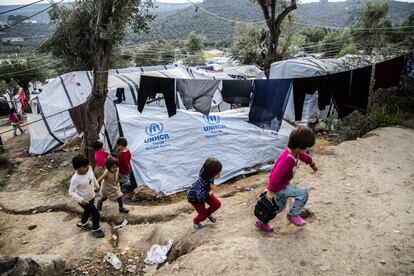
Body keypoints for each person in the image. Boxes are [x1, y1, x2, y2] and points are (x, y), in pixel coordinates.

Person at [256, 126, 318, 232]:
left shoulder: (295, 152)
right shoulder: (288, 159)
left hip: (281, 185)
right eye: (306, 147)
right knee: (303, 193)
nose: (307, 149)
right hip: (280, 186)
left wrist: (312, 163)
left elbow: (304, 156)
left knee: (278, 207)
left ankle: (262, 222)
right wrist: (270, 191)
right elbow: (275, 175)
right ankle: (293, 215)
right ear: (300, 146)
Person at [68, 155, 105, 238]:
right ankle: (95, 229)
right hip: (84, 200)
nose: (87, 167)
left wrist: (96, 186)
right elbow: (71, 192)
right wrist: (81, 200)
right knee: (96, 214)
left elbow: (93, 177)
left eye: (88, 165)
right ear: (77, 168)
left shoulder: (89, 169)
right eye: (84, 167)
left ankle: (83, 223)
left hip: (91, 196)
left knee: (87, 211)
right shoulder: (75, 179)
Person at [187, 158, 222, 230]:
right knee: (203, 215)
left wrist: (210, 189)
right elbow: (201, 198)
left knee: (217, 204)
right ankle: (196, 222)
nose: (220, 173)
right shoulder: (200, 185)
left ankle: (208, 214)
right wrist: (212, 191)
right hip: (195, 198)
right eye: (218, 172)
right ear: (211, 173)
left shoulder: (208, 176)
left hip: (205, 192)